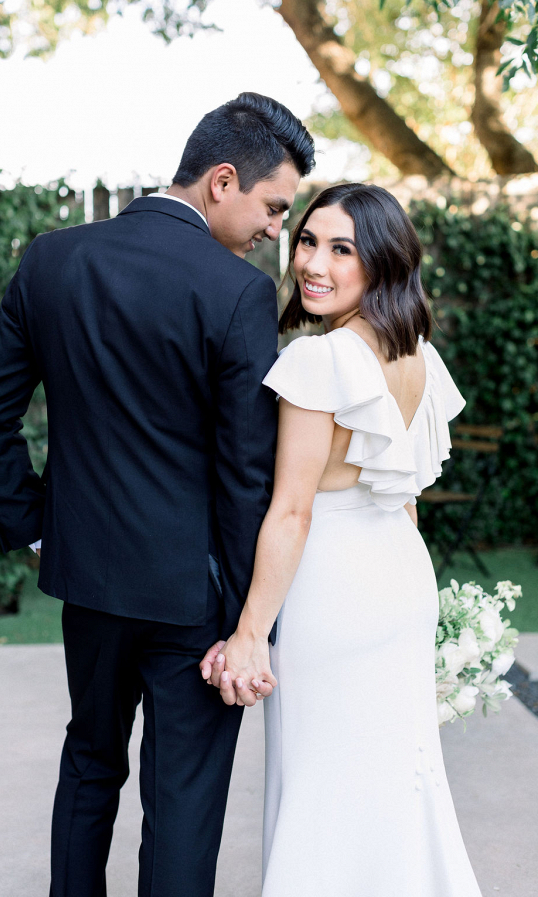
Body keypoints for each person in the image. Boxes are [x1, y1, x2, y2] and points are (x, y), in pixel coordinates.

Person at [0, 92, 315, 897]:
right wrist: (252, 622)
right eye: (273, 207)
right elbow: (245, 475)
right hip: (196, 599)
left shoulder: (51, 259)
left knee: (88, 764)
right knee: (182, 802)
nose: (273, 231)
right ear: (223, 180)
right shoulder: (237, 293)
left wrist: (43, 530)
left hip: (86, 582)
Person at [202, 183, 483, 895]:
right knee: (397, 780)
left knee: (321, 788)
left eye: (341, 249)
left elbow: (292, 511)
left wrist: (250, 632)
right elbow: (406, 498)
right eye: (306, 241)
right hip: (399, 584)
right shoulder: (419, 354)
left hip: (332, 596)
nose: (312, 264)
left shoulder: (316, 362)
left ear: (383, 263)